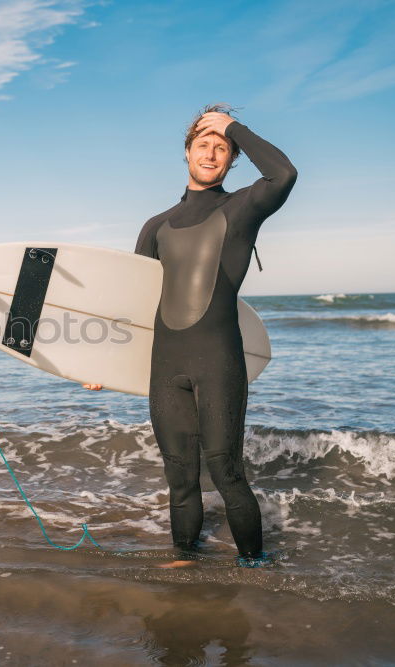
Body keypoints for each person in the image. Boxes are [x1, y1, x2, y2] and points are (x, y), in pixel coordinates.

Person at [84, 104, 297, 566]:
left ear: (232, 158)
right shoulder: (155, 226)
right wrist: (101, 362)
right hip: (167, 368)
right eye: (204, 143)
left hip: (218, 361)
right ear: (187, 152)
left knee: (226, 470)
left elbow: (283, 174)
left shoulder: (241, 208)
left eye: (222, 147)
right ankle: (184, 559)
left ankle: (254, 565)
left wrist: (231, 124)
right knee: (179, 476)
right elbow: (135, 305)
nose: (212, 152)